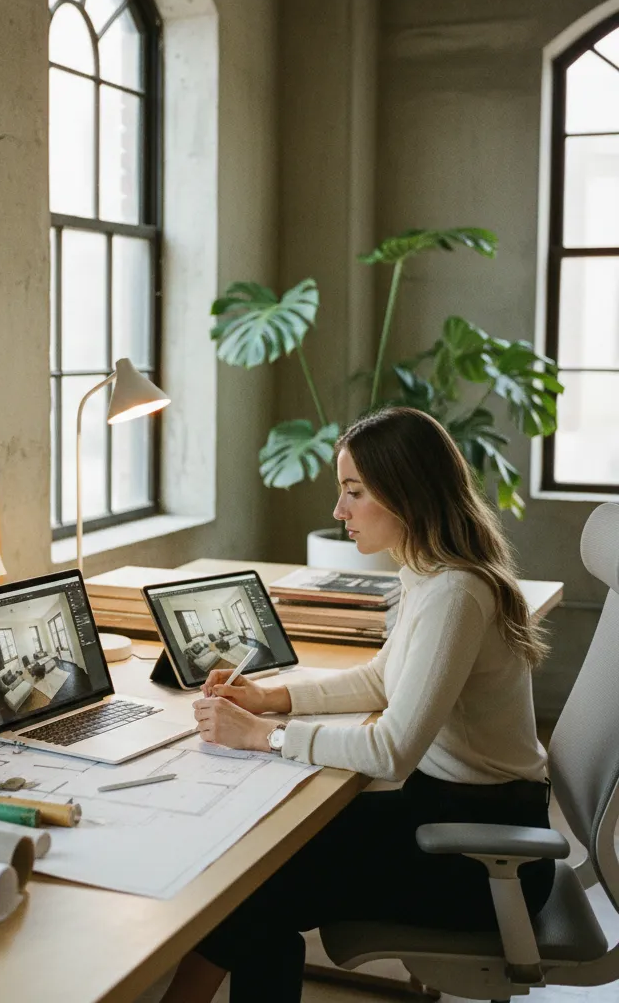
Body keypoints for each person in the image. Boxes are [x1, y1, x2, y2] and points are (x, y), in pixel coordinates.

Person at [160, 406, 553, 1003]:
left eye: (354, 491)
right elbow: (381, 679)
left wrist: (261, 735)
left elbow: (391, 751)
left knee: (253, 889)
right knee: (254, 875)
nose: (338, 511)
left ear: (407, 494)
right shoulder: (431, 574)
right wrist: (271, 697)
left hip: (482, 857)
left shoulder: (456, 594)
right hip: (449, 815)